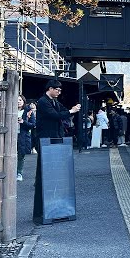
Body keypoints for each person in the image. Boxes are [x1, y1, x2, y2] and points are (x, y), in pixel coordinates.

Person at [33, 79, 80, 222]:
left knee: (55, 174)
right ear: (50, 89)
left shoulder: (53, 102)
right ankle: (40, 212)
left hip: (55, 140)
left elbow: (63, 111)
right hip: (46, 141)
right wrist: (71, 111)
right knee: (44, 174)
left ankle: (55, 208)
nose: (59, 92)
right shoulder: (43, 102)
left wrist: (71, 110)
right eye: (57, 90)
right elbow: (55, 115)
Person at [17, 94, 36, 182]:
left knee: (21, 155)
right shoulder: (10, 109)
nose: (18, 101)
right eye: (17, 100)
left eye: (20, 100)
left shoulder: (28, 111)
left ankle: (19, 173)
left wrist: (23, 122)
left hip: (23, 135)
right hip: (12, 135)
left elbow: (33, 125)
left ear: (24, 101)